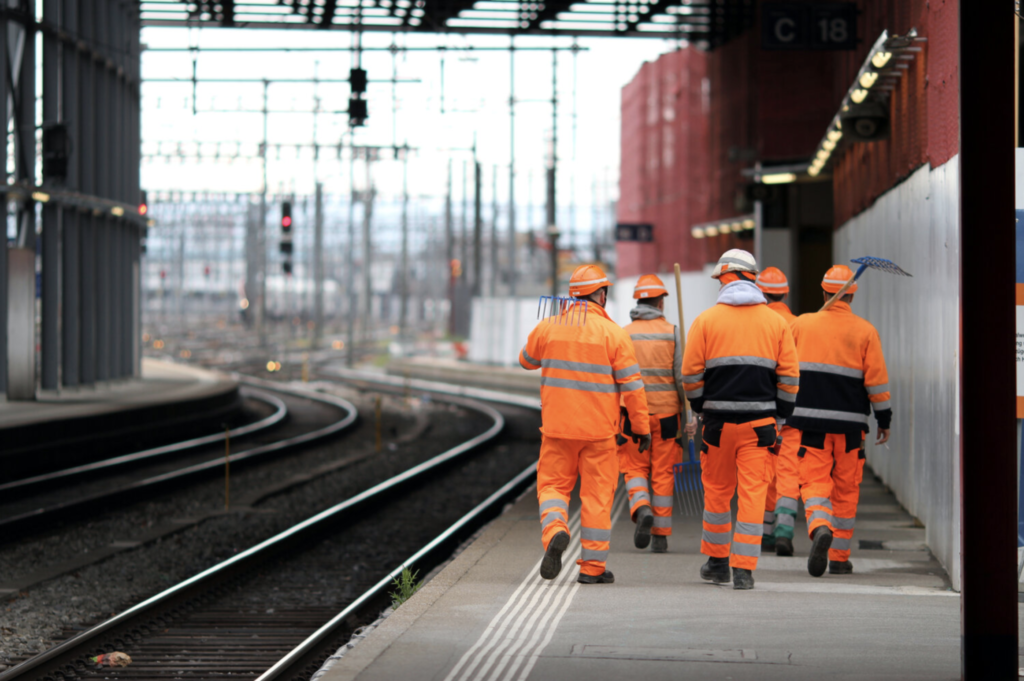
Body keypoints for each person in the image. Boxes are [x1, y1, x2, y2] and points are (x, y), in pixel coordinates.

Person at [519, 264, 652, 584]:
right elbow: (633, 388)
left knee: (552, 487)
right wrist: (642, 428)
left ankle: (555, 530)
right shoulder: (614, 334)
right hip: (600, 434)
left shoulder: (548, 327)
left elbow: (525, 360)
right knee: (597, 497)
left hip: (556, 430)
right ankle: (593, 568)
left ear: (572, 295)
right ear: (602, 295)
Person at [682, 249, 799, 590]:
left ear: (727, 278)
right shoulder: (776, 322)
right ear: (752, 277)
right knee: (753, 493)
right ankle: (744, 570)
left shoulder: (706, 321)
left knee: (718, 492)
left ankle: (717, 564)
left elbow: (690, 374)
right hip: (761, 425)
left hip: (717, 425)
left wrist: (700, 405)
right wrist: (781, 416)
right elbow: (790, 378)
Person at [788, 265, 892, 577]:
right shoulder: (866, 331)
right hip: (850, 428)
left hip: (810, 425)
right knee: (846, 489)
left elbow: (784, 370)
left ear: (823, 292)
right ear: (851, 295)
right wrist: (883, 420)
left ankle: (820, 525)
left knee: (814, 482)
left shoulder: (801, 324)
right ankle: (839, 558)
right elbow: (877, 383)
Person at [617, 274, 685, 554]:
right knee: (663, 472)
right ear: (660, 301)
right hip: (668, 415)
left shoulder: (623, 333)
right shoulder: (673, 332)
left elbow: (616, 379)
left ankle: (641, 506)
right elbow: (682, 378)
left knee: (634, 468)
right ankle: (660, 535)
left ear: (638, 301)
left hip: (633, 415)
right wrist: (689, 417)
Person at [754, 267, 800, 556]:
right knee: (788, 471)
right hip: (792, 410)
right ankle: (784, 530)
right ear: (786, 292)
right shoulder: (798, 324)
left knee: (764, 472)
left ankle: (766, 534)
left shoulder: (759, 323)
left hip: (763, 410)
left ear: (760, 292)